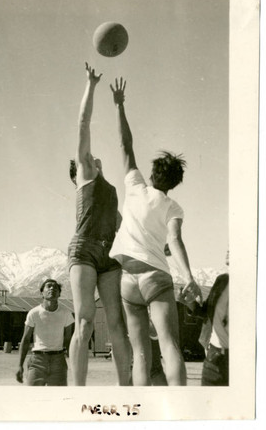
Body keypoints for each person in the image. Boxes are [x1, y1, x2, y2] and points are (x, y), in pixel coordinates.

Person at [109, 77, 202, 386]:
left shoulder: (135, 186)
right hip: (155, 277)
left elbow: (126, 145)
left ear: (151, 174)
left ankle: (140, 412)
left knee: (140, 355)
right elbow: (174, 240)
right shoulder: (173, 206)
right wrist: (188, 277)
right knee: (170, 347)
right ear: (175, 182)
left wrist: (120, 105)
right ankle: (180, 413)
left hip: (128, 280)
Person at [67, 63, 131, 386]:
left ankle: (125, 392)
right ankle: (74, 394)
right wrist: (90, 85)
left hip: (109, 253)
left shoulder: (110, 191)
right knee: (85, 322)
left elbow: (122, 226)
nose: (93, 156)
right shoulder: (85, 174)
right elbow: (83, 123)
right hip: (84, 251)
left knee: (117, 324)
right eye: (88, 157)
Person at [16, 279, 74, 386]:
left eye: (55, 287)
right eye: (49, 286)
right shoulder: (34, 313)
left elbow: (68, 340)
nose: (52, 288)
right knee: (33, 397)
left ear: (59, 294)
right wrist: (20, 365)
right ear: (42, 293)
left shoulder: (66, 314)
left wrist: (74, 365)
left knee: (58, 398)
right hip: (37, 361)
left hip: (58, 361)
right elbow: (26, 339)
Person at [189, 251, 229, 386]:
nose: (228, 250)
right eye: (228, 247)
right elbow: (205, 311)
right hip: (213, 353)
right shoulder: (221, 280)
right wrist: (192, 303)